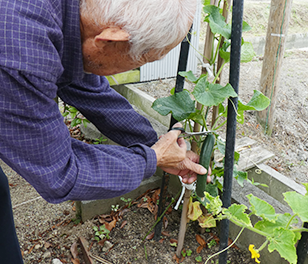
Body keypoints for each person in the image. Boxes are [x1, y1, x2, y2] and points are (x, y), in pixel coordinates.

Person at [0, 0, 209, 263]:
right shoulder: (20, 50)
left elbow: (87, 88)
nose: (139, 68)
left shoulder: (73, 14)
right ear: (110, 40)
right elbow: (61, 173)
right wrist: (152, 159)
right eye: (143, 59)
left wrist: (155, 143)